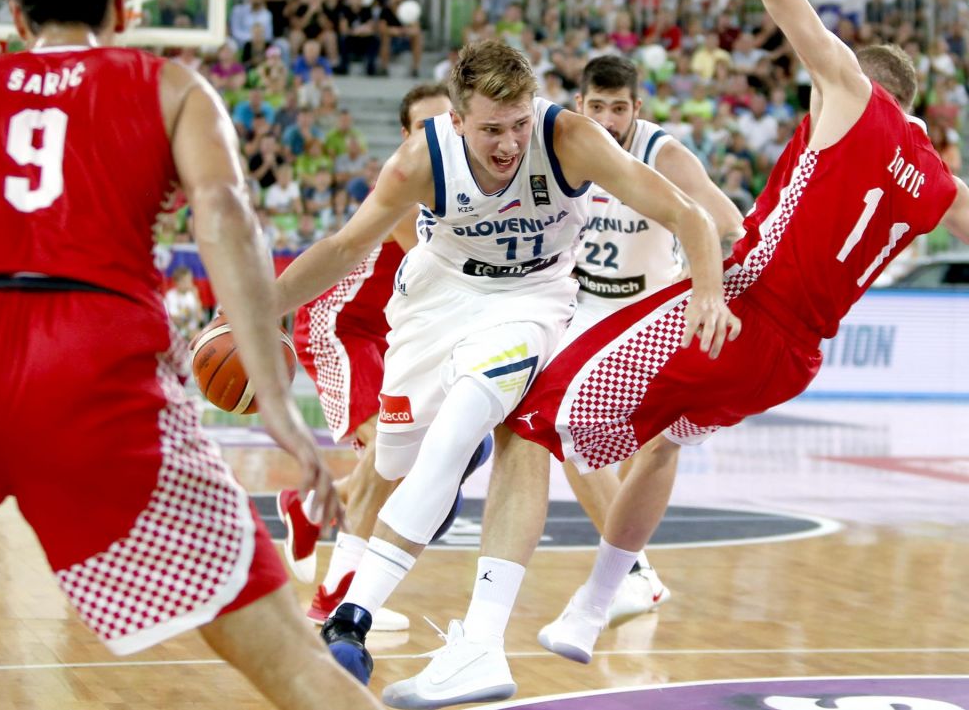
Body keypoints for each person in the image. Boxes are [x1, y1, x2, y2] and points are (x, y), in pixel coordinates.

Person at [504, 0, 969, 677]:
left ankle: (470, 627)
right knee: (660, 447)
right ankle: (594, 603)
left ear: (855, 79)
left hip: (744, 303)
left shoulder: (850, 91)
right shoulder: (939, 183)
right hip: (791, 361)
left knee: (527, 414)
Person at [0, 0, 383, 710]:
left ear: (12, 16)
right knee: (289, 660)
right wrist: (279, 409)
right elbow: (226, 215)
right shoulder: (171, 85)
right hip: (94, 366)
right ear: (122, 7)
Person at [272, 39, 738, 699]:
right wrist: (251, 308)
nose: (509, 144)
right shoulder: (420, 160)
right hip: (437, 299)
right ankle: (358, 593)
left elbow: (687, 213)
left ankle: (352, 617)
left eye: (519, 124)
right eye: (492, 129)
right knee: (395, 460)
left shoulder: (569, 138)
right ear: (458, 119)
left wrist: (709, 291)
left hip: (531, 300)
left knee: (466, 422)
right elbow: (347, 244)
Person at [277, 84, 492, 632]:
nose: (437, 135)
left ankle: (311, 513)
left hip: (396, 334)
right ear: (405, 137)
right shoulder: (406, 182)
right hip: (342, 326)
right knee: (389, 453)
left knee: (406, 462)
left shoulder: (473, 182)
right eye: (424, 127)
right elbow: (447, 271)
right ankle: (337, 597)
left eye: (446, 123)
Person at [559, 55, 744, 625]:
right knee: (567, 437)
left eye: (619, 109)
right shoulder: (564, 143)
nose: (608, 120)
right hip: (581, 309)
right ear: (580, 105)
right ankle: (635, 571)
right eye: (597, 108)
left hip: (647, 311)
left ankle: (630, 570)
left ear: (637, 109)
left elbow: (731, 226)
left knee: (643, 449)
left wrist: (708, 292)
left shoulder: (664, 156)